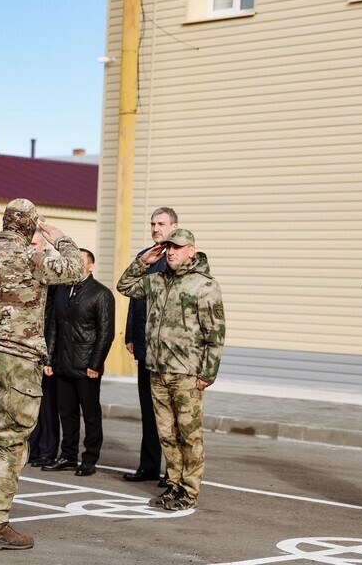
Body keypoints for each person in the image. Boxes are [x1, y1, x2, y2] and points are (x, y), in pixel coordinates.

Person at [0, 198, 85, 551]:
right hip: (19, 361)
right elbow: (76, 269)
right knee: (9, 444)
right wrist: (61, 238)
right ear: (29, 226)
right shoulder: (31, 257)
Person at [117, 228, 226, 511]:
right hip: (158, 370)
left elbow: (215, 334)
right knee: (167, 434)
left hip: (186, 372)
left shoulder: (204, 286)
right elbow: (124, 286)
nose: (171, 251)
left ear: (192, 250)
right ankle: (174, 486)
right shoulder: (156, 281)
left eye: (177, 247)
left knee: (189, 436)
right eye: (168, 247)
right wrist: (143, 261)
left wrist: (207, 374)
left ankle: (189, 492)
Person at [42, 248, 114, 477]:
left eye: (80, 261)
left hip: (86, 367)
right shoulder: (63, 291)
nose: (75, 265)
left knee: (91, 415)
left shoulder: (101, 294)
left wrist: (95, 364)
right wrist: (49, 358)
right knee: (67, 413)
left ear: (91, 266)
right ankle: (68, 455)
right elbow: (54, 326)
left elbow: (106, 333)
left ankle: (90, 458)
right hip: (63, 362)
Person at [122, 207, 178, 483]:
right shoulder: (146, 257)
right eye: (153, 223)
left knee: (168, 415)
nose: (156, 228)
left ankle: (173, 471)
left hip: (168, 353)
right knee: (148, 410)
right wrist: (130, 334)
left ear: (174, 226)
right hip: (145, 348)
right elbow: (135, 298)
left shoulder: (178, 259)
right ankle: (147, 466)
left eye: (161, 223)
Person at [26, 230, 60, 468]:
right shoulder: (22, 269)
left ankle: (47, 450)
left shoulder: (50, 272)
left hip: (46, 347)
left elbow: (54, 317)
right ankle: (34, 447)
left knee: (47, 405)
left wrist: (49, 355)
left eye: (34, 244)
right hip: (27, 346)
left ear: (44, 246)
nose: (30, 247)